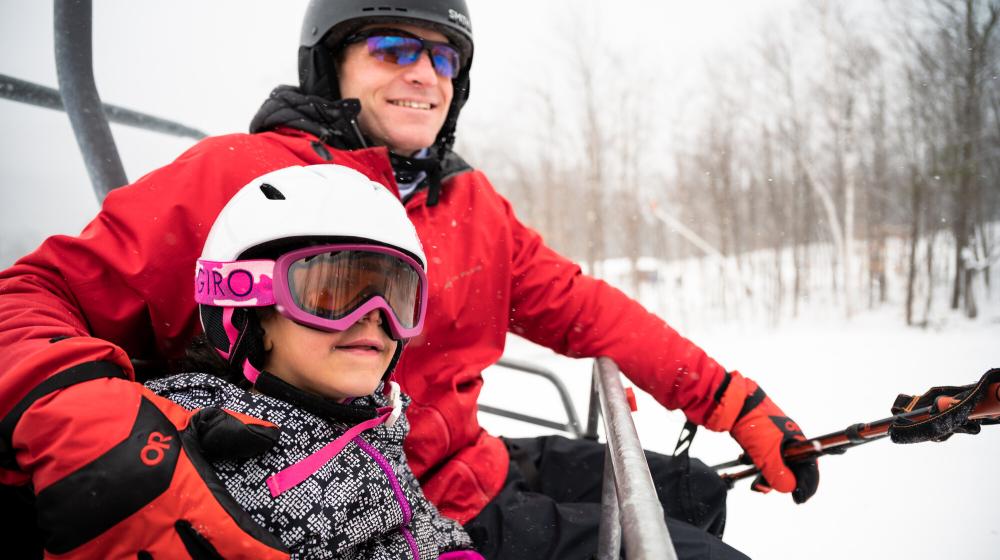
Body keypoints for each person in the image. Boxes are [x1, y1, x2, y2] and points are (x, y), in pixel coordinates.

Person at [0, 1, 818, 558]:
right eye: (393, 49)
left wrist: (726, 398)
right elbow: (31, 299)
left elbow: (580, 307)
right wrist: (92, 423)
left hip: (473, 459)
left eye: (443, 56)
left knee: (691, 488)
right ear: (333, 66)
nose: (425, 73)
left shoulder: (467, 200)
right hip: (381, 496)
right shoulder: (245, 179)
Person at [146, 163, 480, 559]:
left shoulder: (366, 418)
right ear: (250, 312)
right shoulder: (208, 453)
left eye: (395, 296)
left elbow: (412, 525)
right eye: (332, 293)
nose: (374, 315)